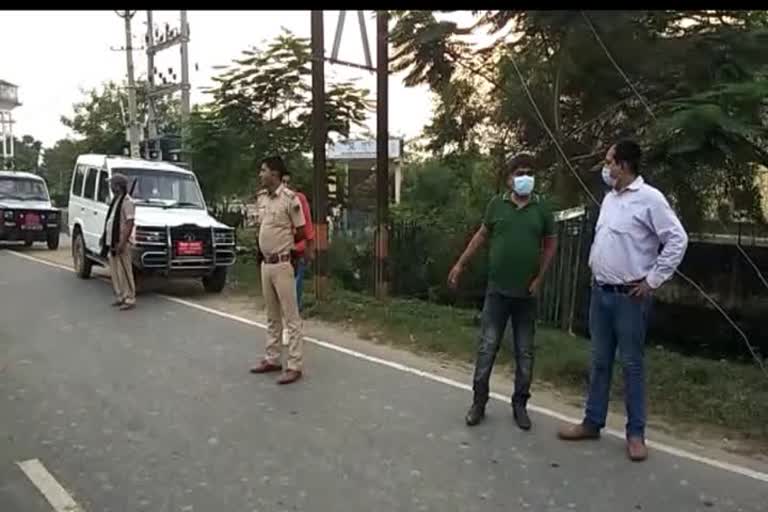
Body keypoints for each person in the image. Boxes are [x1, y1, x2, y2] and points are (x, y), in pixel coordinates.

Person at [557, 140, 688, 462]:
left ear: (624, 165)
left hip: (629, 298)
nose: (605, 167)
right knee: (599, 361)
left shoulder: (650, 199)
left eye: (609, 161)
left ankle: (636, 434)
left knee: (631, 365)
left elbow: (677, 239)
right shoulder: (611, 198)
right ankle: (592, 421)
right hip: (600, 293)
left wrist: (653, 280)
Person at [448, 153, 558, 430]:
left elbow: (550, 245)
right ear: (509, 178)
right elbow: (481, 236)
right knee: (487, 348)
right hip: (497, 291)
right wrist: (461, 264)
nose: (526, 178)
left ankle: (520, 404)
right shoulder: (496, 205)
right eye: (520, 173)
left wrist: (539, 279)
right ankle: (478, 403)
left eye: (530, 173)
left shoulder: (542, 209)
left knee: (525, 353)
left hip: (526, 295)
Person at [249, 156, 308, 385]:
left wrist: (289, 248)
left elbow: (302, 231)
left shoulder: (289, 199)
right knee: (272, 315)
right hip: (266, 263)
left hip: (283, 263)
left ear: (274, 173)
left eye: (263, 170)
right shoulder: (262, 198)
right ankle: (272, 358)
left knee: (291, 317)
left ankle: (294, 365)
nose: (260, 174)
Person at [282, 170, 315, 312]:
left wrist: (310, 246)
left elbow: (307, 223)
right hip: (281, 249)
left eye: (288, 183)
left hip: (298, 249)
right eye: (283, 182)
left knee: (296, 280)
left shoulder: (299, 199)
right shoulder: (275, 201)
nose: (286, 186)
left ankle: (294, 309)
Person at [102, 174, 136, 311]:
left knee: (125, 271)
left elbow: (129, 223)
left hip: (122, 242)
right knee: (115, 271)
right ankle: (120, 295)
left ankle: (130, 298)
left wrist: (122, 243)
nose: (110, 186)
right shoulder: (116, 200)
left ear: (118, 186)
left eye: (112, 184)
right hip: (112, 241)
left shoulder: (127, 201)